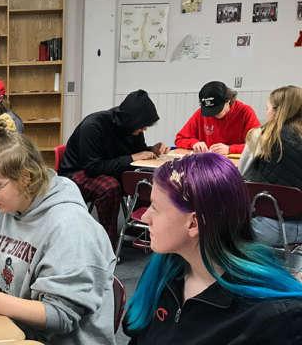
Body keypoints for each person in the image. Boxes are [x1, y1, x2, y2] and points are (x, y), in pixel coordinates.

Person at [0, 124, 117, 344]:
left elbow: (60, 316)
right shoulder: (7, 210)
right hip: (9, 329)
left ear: (26, 178)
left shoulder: (71, 228)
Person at [123, 153, 302, 344]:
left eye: (155, 208)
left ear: (193, 224)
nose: (144, 217)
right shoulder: (163, 271)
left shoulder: (270, 319)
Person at [59, 89, 169, 244]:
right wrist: (132, 157)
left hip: (105, 169)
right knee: (110, 187)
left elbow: (136, 152)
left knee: (144, 177)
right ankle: (107, 243)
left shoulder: (132, 128)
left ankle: (137, 228)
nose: (144, 129)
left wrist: (152, 150)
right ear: (132, 120)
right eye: (142, 126)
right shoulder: (93, 125)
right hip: (76, 173)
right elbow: (93, 167)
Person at [239, 85, 302, 246]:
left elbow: (240, 176)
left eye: (267, 108)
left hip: (264, 228)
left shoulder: (260, 136)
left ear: (275, 111)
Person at [175, 81, 260, 155]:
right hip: (209, 165)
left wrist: (230, 149)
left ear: (228, 101)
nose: (213, 114)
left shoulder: (245, 112)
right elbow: (179, 139)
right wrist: (194, 143)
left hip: (234, 166)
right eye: (209, 111)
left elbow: (258, 145)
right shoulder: (200, 113)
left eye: (217, 110)